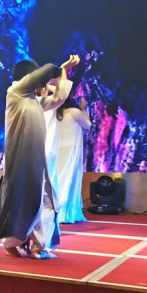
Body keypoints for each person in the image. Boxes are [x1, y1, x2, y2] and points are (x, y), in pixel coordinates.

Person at [0, 55, 79, 259]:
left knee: (47, 201)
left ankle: (39, 246)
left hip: (39, 159)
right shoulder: (15, 93)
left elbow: (59, 98)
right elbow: (46, 70)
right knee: (26, 201)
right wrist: (58, 68)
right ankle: (12, 242)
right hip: (21, 159)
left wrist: (64, 72)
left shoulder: (35, 101)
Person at [49, 95, 91, 224]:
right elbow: (88, 125)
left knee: (59, 179)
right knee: (70, 179)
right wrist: (83, 109)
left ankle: (56, 211)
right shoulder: (74, 112)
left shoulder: (54, 113)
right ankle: (66, 213)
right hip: (71, 150)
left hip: (57, 149)